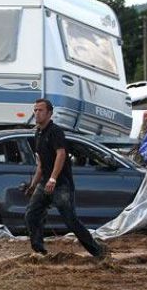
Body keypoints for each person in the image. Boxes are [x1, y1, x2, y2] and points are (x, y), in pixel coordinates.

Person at [24, 98, 109, 259]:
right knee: (31, 214)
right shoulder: (38, 133)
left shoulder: (55, 131)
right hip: (45, 184)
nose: (36, 113)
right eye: (35, 110)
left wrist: (53, 179)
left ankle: (98, 252)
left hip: (61, 184)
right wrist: (33, 184)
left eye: (40, 110)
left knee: (71, 221)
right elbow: (41, 164)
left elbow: (61, 154)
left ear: (49, 113)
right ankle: (39, 251)